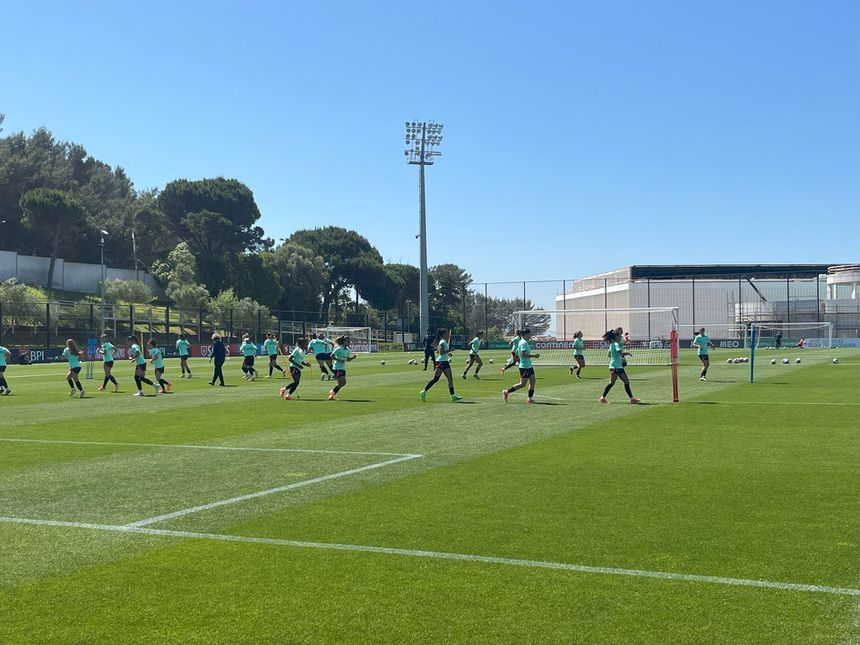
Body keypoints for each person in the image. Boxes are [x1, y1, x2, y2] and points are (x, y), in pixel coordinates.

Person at [419, 328, 462, 402]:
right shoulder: (442, 342)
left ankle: (424, 392)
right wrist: (449, 350)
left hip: (441, 361)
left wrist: (448, 353)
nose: (448, 334)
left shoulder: (442, 341)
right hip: (443, 362)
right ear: (444, 334)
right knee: (449, 379)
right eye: (447, 333)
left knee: (436, 379)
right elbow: (441, 352)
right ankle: (452, 396)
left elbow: (438, 352)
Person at [598, 330, 639, 404]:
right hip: (616, 367)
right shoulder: (616, 344)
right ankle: (602, 398)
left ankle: (632, 399)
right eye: (619, 336)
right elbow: (621, 353)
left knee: (624, 382)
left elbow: (609, 355)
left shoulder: (612, 344)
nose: (620, 337)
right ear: (616, 337)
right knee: (613, 383)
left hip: (616, 366)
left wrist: (615, 358)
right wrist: (628, 353)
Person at [503, 328, 540, 403]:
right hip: (524, 367)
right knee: (522, 384)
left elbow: (517, 352)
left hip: (528, 365)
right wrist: (534, 356)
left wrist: (518, 358)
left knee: (533, 381)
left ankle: (530, 399)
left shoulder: (521, 342)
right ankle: (506, 392)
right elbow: (523, 354)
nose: (530, 335)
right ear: (525, 334)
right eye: (529, 334)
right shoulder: (523, 343)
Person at [328, 335, 356, 400]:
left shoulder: (348, 350)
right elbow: (332, 356)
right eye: (347, 340)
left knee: (342, 383)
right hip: (337, 367)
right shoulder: (339, 348)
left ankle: (332, 393)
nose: (349, 342)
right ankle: (332, 394)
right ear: (344, 341)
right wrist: (338, 360)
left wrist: (353, 357)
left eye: (349, 340)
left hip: (342, 368)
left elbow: (347, 359)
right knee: (342, 382)